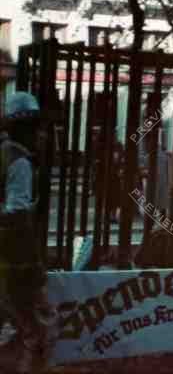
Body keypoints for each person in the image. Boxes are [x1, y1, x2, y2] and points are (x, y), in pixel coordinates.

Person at [0, 92, 57, 373]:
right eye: (37, 127)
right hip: (14, 257)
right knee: (34, 325)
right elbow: (16, 214)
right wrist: (32, 264)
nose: (41, 135)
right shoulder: (19, 160)